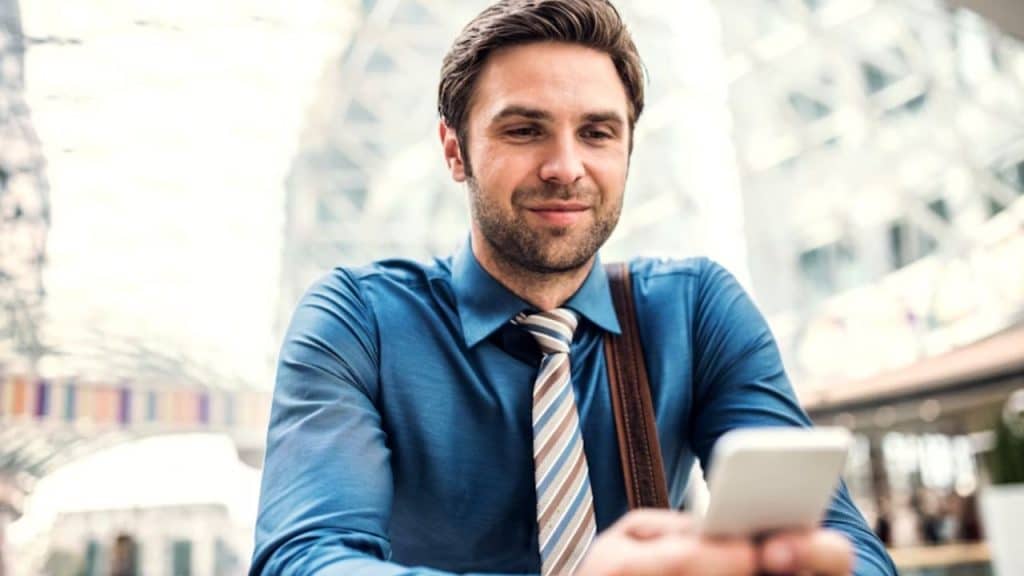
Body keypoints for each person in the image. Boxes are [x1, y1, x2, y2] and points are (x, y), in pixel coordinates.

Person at [251, 1, 898, 574]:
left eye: (597, 132)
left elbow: (843, 542)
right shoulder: (358, 322)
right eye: (524, 129)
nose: (566, 168)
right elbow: (305, 559)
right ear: (455, 150)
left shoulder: (694, 310)